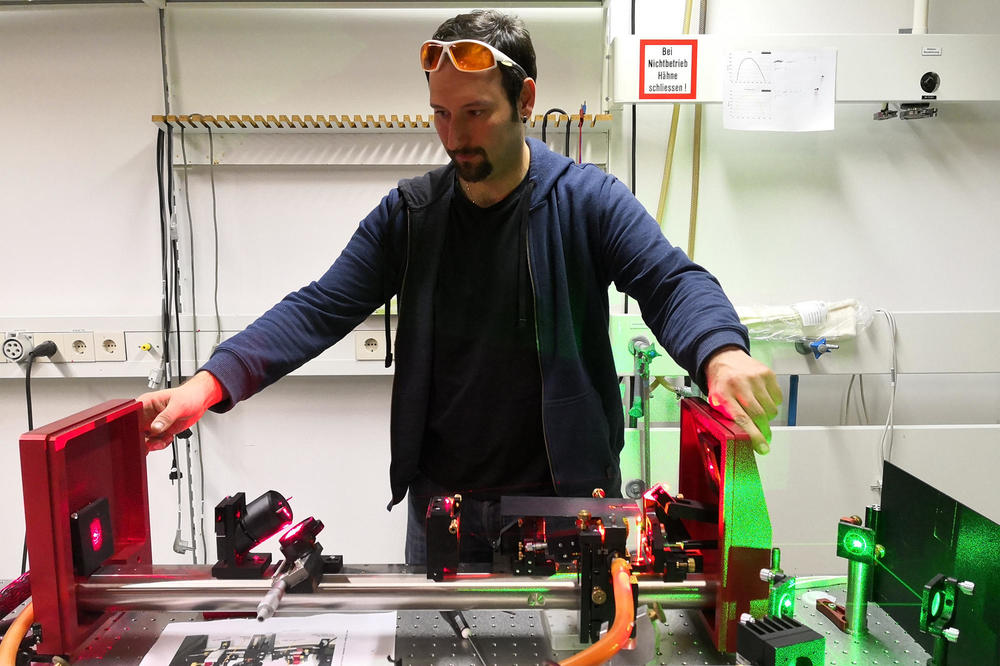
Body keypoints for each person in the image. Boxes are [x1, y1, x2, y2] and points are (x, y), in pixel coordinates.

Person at [139, 10, 781, 565]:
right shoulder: (411, 215)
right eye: (441, 114)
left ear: (525, 101)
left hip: (568, 507)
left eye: (476, 113)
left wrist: (719, 351)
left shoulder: (587, 201)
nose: (454, 137)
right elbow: (319, 308)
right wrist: (209, 384)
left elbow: (671, 282)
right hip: (443, 512)